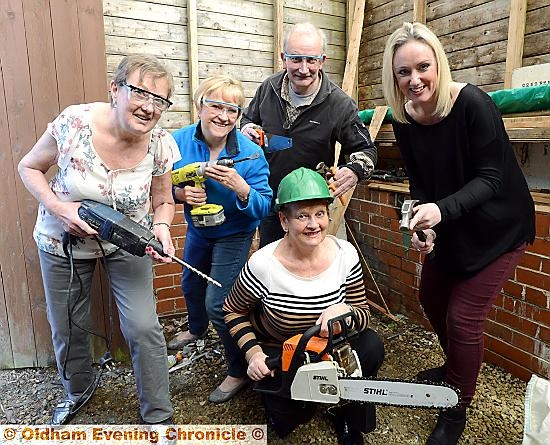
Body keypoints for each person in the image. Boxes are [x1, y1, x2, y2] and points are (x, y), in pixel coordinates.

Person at [381, 22, 536, 445]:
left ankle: (455, 407)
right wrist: (419, 224)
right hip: (452, 222)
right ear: (393, 77)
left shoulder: (472, 103)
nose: (415, 80)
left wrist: (440, 210)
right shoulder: (404, 117)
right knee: (431, 297)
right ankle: (457, 371)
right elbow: (419, 182)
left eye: (423, 67)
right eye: (403, 72)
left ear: (438, 64)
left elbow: (492, 178)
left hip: (501, 225)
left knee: (463, 319)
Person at [17, 54, 180, 425]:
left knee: (143, 326)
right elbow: (28, 167)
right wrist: (61, 209)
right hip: (63, 241)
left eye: (160, 101)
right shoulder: (74, 122)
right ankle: (77, 392)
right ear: (115, 89)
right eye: (140, 93)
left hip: (129, 241)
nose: (149, 107)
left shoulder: (160, 144)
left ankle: (158, 415)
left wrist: (162, 227)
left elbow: (163, 199)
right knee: (68, 326)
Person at [224, 168, 384, 445]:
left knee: (370, 345)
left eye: (319, 213)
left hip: (328, 344)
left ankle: (347, 413)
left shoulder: (345, 254)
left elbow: (362, 312)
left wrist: (344, 312)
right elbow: (233, 310)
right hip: (281, 349)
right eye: (302, 216)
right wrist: (253, 355)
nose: (314, 224)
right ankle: (295, 403)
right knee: (292, 417)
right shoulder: (264, 265)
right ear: (284, 221)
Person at [169, 75, 272, 404]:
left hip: (235, 232)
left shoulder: (251, 154)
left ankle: (239, 369)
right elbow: (160, 185)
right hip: (199, 228)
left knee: (220, 304)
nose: (224, 116)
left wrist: (241, 187)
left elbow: (265, 205)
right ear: (200, 105)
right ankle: (196, 329)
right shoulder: (177, 141)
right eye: (216, 105)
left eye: (233, 109)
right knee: (190, 285)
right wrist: (180, 194)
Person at [240, 22, 377, 247]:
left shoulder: (339, 103)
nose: (304, 69)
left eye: (311, 60)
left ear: (322, 60)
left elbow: (367, 151)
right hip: (271, 201)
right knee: (273, 266)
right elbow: (247, 120)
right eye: (296, 59)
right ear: (284, 58)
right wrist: (246, 129)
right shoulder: (268, 88)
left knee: (312, 270)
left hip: (312, 208)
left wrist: (354, 171)